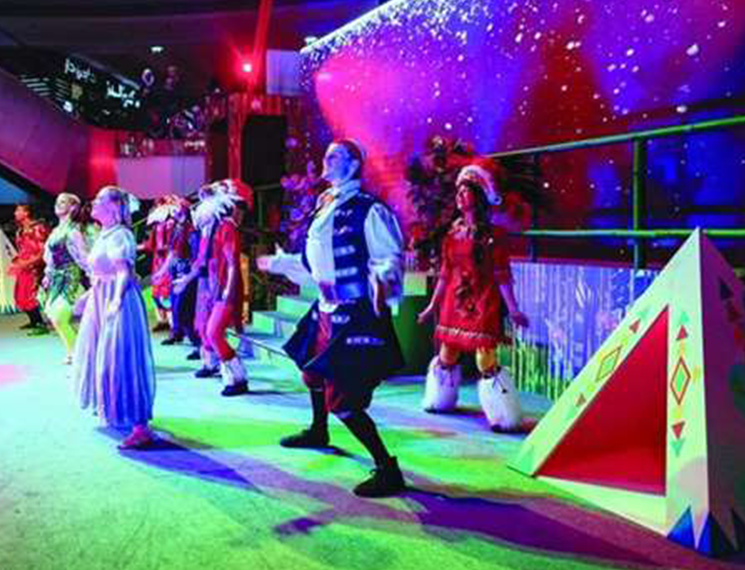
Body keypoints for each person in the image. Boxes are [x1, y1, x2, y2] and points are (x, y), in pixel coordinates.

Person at [258, 139, 408, 497]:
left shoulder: (368, 210)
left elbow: (390, 256)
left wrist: (382, 281)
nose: (325, 160)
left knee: (343, 398)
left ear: (354, 165)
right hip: (326, 306)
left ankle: (388, 468)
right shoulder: (325, 205)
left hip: (355, 313)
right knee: (311, 372)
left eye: (334, 156)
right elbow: (315, 260)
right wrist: (281, 263)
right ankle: (318, 430)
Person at [417, 164, 529, 432]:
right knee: (447, 354)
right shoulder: (452, 233)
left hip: (483, 301)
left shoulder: (494, 236)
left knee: (485, 360)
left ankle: (504, 416)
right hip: (454, 302)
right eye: (458, 191)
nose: (459, 196)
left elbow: (502, 274)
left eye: (465, 191)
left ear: (478, 197)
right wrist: (432, 306)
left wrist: (513, 308)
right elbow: (445, 273)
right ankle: (440, 400)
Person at [74, 186, 157, 450]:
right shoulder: (104, 234)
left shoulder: (121, 235)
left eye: (99, 199)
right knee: (101, 356)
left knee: (122, 359)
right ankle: (115, 409)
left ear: (113, 206)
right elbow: (101, 272)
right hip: (101, 298)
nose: (93, 202)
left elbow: (124, 272)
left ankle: (141, 427)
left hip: (116, 300)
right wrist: (90, 295)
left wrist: (117, 299)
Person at [176, 180, 251, 395]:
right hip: (210, 286)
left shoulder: (226, 227)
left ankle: (238, 378)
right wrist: (185, 280)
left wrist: (228, 291)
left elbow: (233, 263)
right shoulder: (208, 231)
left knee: (214, 332)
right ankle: (216, 366)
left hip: (224, 287)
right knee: (204, 329)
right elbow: (200, 262)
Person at [40, 193, 90, 364]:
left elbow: (83, 258)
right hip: (56, 277)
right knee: (55, 317)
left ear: (72, 207)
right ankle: (73, 351)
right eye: (57, 202)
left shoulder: (73, 231)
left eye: (63, 202)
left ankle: (80, 353)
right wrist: (48, 273)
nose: (58, 204)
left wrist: (93, 277)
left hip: (69, 277)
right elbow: (49, 257)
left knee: (59, 316)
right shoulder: (57, 230)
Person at [152, 197, 200, 348]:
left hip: (186, 271)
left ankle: (196, 340)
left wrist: (188, 276)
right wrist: (161, 271)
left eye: (178, 208)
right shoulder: (177, 228)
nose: (174, 211)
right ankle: (177, 333)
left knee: (184, 307)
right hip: (176, 270)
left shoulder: (192, 231)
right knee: (175, 305)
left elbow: (195, 257)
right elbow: (172, 253)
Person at [9, 203, 50, 333]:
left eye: (18, 210)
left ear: (26, 213)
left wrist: (28, 262)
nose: (15, 213)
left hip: (35, 267)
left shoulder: (38, 228)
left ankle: (40, 323)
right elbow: (22, 249)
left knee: (30, 295)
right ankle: (33, 321)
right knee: (20, 295)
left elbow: (43, 251)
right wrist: (17, 262)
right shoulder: (20, 230)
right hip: (24, 266)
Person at [141, 198, 175, 332]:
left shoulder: (171, 224)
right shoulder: (157, 225)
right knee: (158, 291)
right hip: (159, 262)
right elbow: (151, 244)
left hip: (168, 261)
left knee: (167, 291)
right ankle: (162, 320)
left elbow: (172, 245)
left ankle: (173, 324)